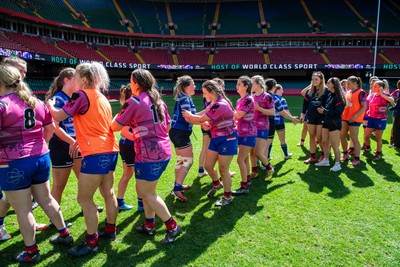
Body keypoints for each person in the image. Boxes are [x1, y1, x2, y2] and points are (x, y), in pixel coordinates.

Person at [0, 63, 73, 263]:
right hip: (40, 157)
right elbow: (49, 130)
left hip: (12, 162)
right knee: (47, 199)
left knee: (23, 210)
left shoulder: (2, 105)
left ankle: (31, 251)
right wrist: (38, 148)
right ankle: (65, 234)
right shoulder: (36, 102)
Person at [47, 62, 119, 257]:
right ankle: (110, 230)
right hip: (111, 149)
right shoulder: (102, 97)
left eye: (77, 76)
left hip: (95, 153)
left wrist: (50, 104)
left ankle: (91, 242)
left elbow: (58, 115)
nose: (75, 79)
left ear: (84, 79)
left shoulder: (80, 95)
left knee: (84, 199)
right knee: (108, 193)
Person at [111, 69, 182, 243]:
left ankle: (172, 226)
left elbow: (115, 126)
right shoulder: (158, 100)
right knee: (147, 191)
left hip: (148, 155)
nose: (129, 84)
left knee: (146, 193)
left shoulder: (134, 101)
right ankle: (149, 224)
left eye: (131, 80)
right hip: (163, 151)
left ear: (136, 83)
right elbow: (166, 127)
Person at [183, 80, 238, 206]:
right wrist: (191, 117)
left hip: (227, 139)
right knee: (208, 166)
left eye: (204, 93)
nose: (203, 95)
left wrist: (189, 116)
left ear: (212, 92)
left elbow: (200, 118)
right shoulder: (213, 103)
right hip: (216, 138)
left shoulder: (221, 104)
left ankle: (227, 197)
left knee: (223, 169)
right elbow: (200, 116)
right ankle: (217, 184)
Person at [44, 68, 80, 227]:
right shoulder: (58, 99)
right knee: (59, 185)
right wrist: (71, 141)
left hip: (76, 143)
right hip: (62, 145)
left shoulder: (75, 97)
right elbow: (55, 127)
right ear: (66, 80)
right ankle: (54, 219)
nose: (79, 82)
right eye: (76, 79)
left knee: (84, 179)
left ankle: (86, 205)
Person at [169, 75, 196, 202]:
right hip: (180, 133)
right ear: (186, 87)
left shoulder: (184, 97)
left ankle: (177, 184)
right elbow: (188, 117)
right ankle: (177, 188)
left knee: (181, 160)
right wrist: (204, 122)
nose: (195, 86)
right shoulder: (185, 98)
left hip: (177, 132)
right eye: (193, 84)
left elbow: (192, 115)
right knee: (188, 161)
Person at [116, 85, 142, 211]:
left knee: (129, 173)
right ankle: (141, 204)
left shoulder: (129, 107)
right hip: (129, 144)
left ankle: (120, 201)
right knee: (137, 174)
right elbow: (125, 131)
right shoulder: (129, 109)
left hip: (128, 144)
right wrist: (141, 140)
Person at [232, 76, 256, 195]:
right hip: (241, 132)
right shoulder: (239, 100)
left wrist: (227, 110)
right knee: (245, 158)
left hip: (248, 133)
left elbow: (239, 115)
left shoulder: (248, 99)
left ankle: (244, 186)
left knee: (240, 159)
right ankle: (247, 179)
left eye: (239, 84)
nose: (237, 86)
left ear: (246, 87)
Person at [316, 77, 346, 171]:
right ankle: (326, 160)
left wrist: (324, 111)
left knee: (334, 145)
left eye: (328, 83)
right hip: (327, 121)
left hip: (334, 123)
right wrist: (323, 110)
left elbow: (338, 112)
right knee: (324, 142)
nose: (327, 85)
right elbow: (329, 109)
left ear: (334, 84)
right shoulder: (330, 95)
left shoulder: (339, 97)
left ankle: (338, 164)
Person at [249, 75, 275, 180]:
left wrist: (259, 108)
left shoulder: (267, 97)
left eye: (253, 83)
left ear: (259, 84)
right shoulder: (251, 97)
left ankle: (269, 168)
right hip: (251, 127)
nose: (251, 85)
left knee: (258, 153)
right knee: (251, 152)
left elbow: (272, 112)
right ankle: (254, 171)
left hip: (263, 127)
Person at [300, 71, 328, 164]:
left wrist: (325, 110)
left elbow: (329, 103)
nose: (314, 81)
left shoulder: (326, 90)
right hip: (311, 117)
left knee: (319, 138)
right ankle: (312, 157)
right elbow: (305, 104)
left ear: (321, 80)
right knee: (311, 137)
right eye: (313, 79)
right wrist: (302, 113)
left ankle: (324, 155)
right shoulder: (309, 91)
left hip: (321, 118)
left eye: (316, 79)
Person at [363, 80, 394, 160]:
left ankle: (378, 153)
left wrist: (382, 94)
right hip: (371, 118)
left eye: (375, 86)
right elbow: (370, 103)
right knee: (366, 135)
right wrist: (370, 110)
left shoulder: (385, 95)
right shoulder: (372, 95)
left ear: (380, 87)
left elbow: (392, 102)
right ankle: (368, 148)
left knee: (378, 138)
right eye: (373, 86)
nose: (373, 87)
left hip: (380, 119)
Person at [268, 83, 299, 160]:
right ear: (277, 90)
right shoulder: (282, 99)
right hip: (279, 122)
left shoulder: (269, 98)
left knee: (269, 141)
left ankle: (267, 156)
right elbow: (285, 111)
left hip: (270, 122)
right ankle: (286, 154)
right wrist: (292, 118)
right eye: (281, 89)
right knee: (282, 140)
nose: (283, 91)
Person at [340, 76, 366, 166]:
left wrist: (355, 116)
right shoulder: (348, 92)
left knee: (354, 138)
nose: (347, 85)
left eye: (349, 83)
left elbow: (364, 107)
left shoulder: (361, 93)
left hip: (355, 119)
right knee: (342, 135)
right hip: (345, 117)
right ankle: (345, 153)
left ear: (355, 83)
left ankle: (357, 158)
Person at [389, 80, 400, 147]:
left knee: (397, 129)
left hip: (399, 114)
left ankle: (396, 144)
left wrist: (391, 108)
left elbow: (398, 104)